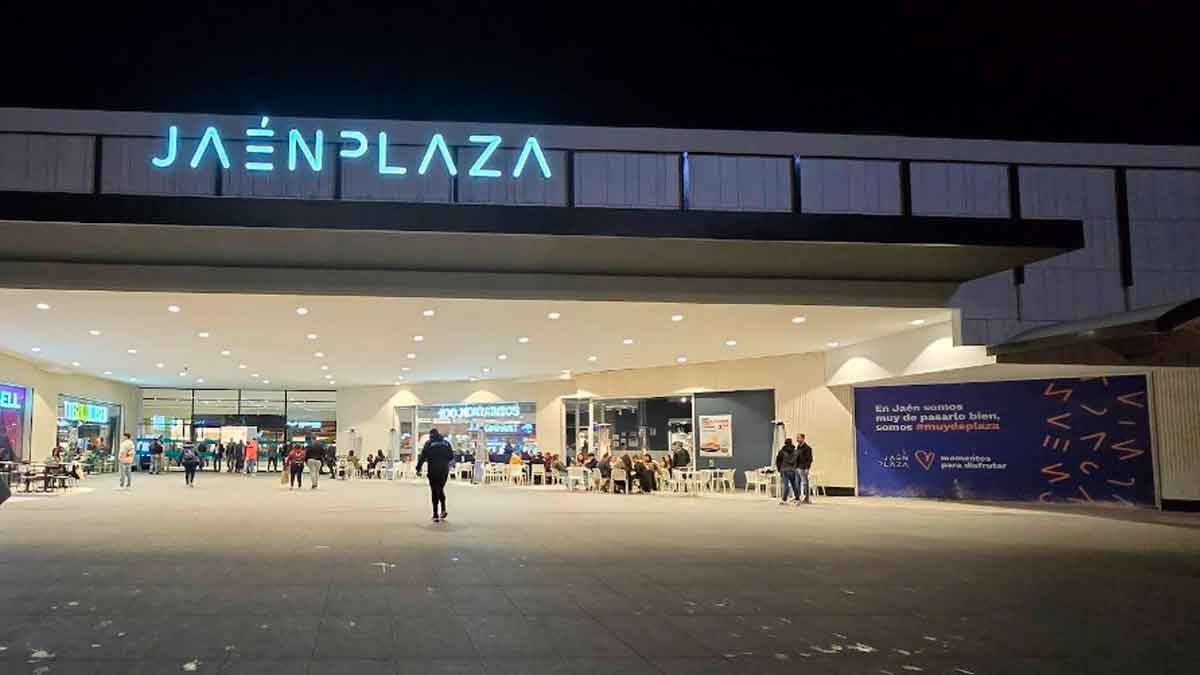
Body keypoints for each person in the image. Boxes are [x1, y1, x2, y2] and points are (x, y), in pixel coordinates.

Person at [416, 428, 453, 523]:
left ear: (431, 435)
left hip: (433, 469)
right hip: (444, 470)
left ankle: (435, 514)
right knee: (440, 489)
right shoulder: (446, 443)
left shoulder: (429, 443)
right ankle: (443, 509)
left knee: (434, 490)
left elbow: (423, 456)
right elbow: (451, 456)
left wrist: (418, 468)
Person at [775, 438, 801, 505]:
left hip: (784, 470)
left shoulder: (782, 451)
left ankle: (784, 499)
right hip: (793, 470)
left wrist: (779, 469)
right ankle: (797, 498)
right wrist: (796, 467)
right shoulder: (796, 452)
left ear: (785, 443)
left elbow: (778, 461)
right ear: (791, 443)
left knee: (786, 485)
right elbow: (798, 461)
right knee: (794, 485)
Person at [795, 433, 814, 505]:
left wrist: (807, 468)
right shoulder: (797, 448)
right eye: (797, 438)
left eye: (798, 438)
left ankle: (807, 498)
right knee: (797, 484)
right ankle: (798, 497)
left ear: (803, 438)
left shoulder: (807, 448)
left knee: (805, 484)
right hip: (797, 468)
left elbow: (809, 459)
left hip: (803, 468)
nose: (797, 439)